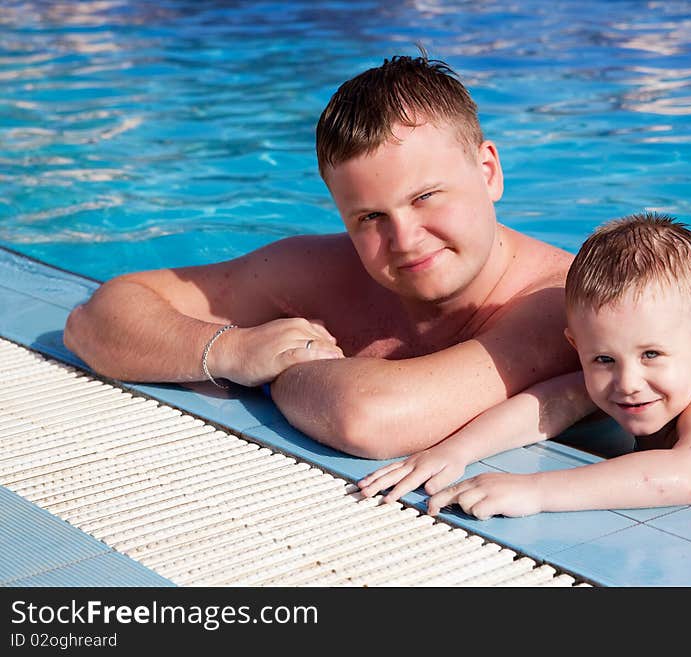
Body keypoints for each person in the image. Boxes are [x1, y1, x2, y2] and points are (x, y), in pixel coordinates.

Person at [62, 53, 580, 460]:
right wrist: (231, 352)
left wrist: (278, 370)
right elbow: (93, 320)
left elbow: (370, 417)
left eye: (425, 197)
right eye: (370, 218)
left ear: (488, 172)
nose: (404, 239)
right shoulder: (323, 272)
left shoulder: (567, 303)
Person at [359, 212, 691, 521]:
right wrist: (455, 450)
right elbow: (545, 405)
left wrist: (536, 490)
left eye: (651, 355)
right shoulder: (619, 378)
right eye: (602, 359)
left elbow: (686, 477)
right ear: (576, 345)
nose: (626, 382)